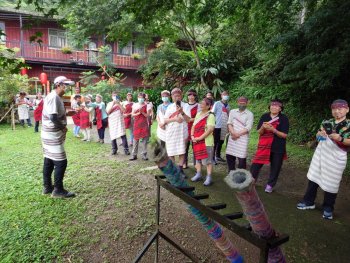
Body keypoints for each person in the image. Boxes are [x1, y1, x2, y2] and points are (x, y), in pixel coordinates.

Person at [297, 99, 350, 220]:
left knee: (332, 182)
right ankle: (308, 201)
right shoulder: (327, 122)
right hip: (321, 154)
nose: (337, 111)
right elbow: (318, 135)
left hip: (336, 157)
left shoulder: (349, 124)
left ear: (347, 109)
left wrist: (340, 138)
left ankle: (328, 208)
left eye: (340, 108)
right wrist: (319, 135)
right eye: (334, 109)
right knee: (314, 178)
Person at [41, 76, 75, 198]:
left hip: (49, 134)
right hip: (52, 134)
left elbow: (55, 113)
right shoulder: (53, 97)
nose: (67, 88)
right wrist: (63, 127)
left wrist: (67, 114)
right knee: (61, 162)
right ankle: (58, 190)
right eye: (65, 85)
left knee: (49, 159)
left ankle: (47, 187)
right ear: (59, 85)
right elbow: (53, 118)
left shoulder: (55, 97)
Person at [250, 99, 289, 193]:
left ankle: (270, 185)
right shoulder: (265, 116)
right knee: (256, 164)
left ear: (280, 109)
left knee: (275, 167)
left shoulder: (283, 118)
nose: (274, 107)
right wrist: (263, 127)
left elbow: (284, 135)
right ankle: (250, 183)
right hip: (264, 146)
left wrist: (273, 130)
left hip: (278, 146)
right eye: (272, 105)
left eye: (276, 106)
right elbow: (259, 132)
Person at [164, 88, 191, 174]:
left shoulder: (186, 106)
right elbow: (165, 120)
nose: (177, 98)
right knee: (171, 151)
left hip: (182, 132)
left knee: (182, 150)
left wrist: (182, 112)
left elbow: (188, 120)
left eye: (178, 95)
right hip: (171, 132)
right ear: (171, 97)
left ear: (181, 96)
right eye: (174, 96)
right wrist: (175, 119)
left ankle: (180, 169)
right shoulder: (169, 107)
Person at [191, 98, 215, 186]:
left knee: (208, 161)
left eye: (203, 104)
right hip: (197, 140)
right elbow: (193, 126)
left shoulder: (211, 115)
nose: (201, 105)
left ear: (208, 106)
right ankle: (198, 174)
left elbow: (210, 129)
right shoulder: (198, 114)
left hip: (206, 142)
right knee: (198, 158)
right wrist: (192, 136)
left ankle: (209, 177)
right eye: (201, 103)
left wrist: (199, 138)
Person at [226, 96, 254, 171]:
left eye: (244, 103)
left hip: (242, 138)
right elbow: (229, 123)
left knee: (241, 158)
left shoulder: (249, 114)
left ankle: (241, 174)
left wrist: (237, 134)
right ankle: (231, 171)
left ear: (247, 103)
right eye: (240, 103)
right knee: (229, 155)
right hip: (232, 136)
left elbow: (248, 127)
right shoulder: (232, 111)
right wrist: (233, 133)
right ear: (237, 103)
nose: (242, 105)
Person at [107, 91, 130, 155]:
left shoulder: (121, 103)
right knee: (113, 135)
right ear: (112, 97)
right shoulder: (109, 103)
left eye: (116, 96)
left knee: (123, 135)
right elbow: (108, 112)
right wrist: (113, 104)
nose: (115, 97)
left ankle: (126, 149)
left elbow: (124, 111)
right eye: (114, 96)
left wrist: (118, 104)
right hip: (112, 121)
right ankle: (114, 149)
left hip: (120, 121)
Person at [129, 92, 150, 161]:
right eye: (139, 97)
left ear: (144, 98)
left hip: (144, 124)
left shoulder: (147, 105)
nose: (140, 99)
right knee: (135, 140)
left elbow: (148, 115)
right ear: (138, 98)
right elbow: (132, 114)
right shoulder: (135, 105)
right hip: (136, 124)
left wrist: (143, 112)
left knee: (144, 141)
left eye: (142, 98)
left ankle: (144, 155)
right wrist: (138, 112)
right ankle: (134, 155)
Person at [212, 90, 230, 164]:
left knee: (221, 141)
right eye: (224, 94)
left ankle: (218, 156)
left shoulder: (228, 106)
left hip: (224, 126)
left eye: (227, 94)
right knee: (215, 142)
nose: (225, 95)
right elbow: (212, 113)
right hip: (217, 125)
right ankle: (212, 158)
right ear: (221, 95)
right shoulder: (217, 103)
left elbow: (229, 116)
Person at [184, 89, 199, 169]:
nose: (191, 97)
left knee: (195, 147)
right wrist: (187, 120)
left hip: (195, 128)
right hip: (185, 128)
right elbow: (182, 116)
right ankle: (184, 163)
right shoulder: (185, 105)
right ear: (187, 96)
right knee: (185, 146)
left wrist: (190, 120)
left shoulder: (198, 105)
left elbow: (199, 117)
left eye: (193, 95)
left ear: (195, 96)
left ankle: (196, 164)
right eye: (190, 95)